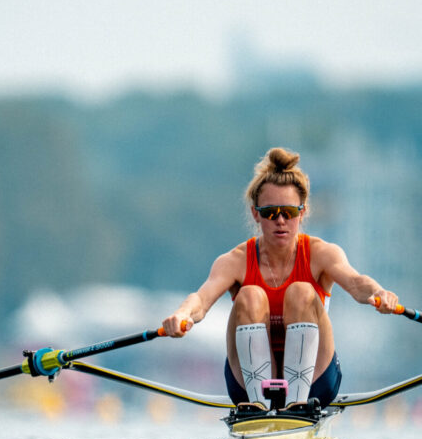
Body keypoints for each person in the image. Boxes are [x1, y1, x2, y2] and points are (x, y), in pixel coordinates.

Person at [161, 147, 400, 413]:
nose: (281, 220)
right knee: (249, 294)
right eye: (270, 212)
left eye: (288, 211)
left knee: (301, 291)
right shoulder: (235, 260)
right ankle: (259, 406)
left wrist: (380, 293)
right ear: (255, 214)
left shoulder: (322, 253)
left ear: (302, 212)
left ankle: (297, 404)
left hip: (316, 384)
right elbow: (201, 301)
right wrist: (182, 314)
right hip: (248, 386)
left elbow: (357, 283)